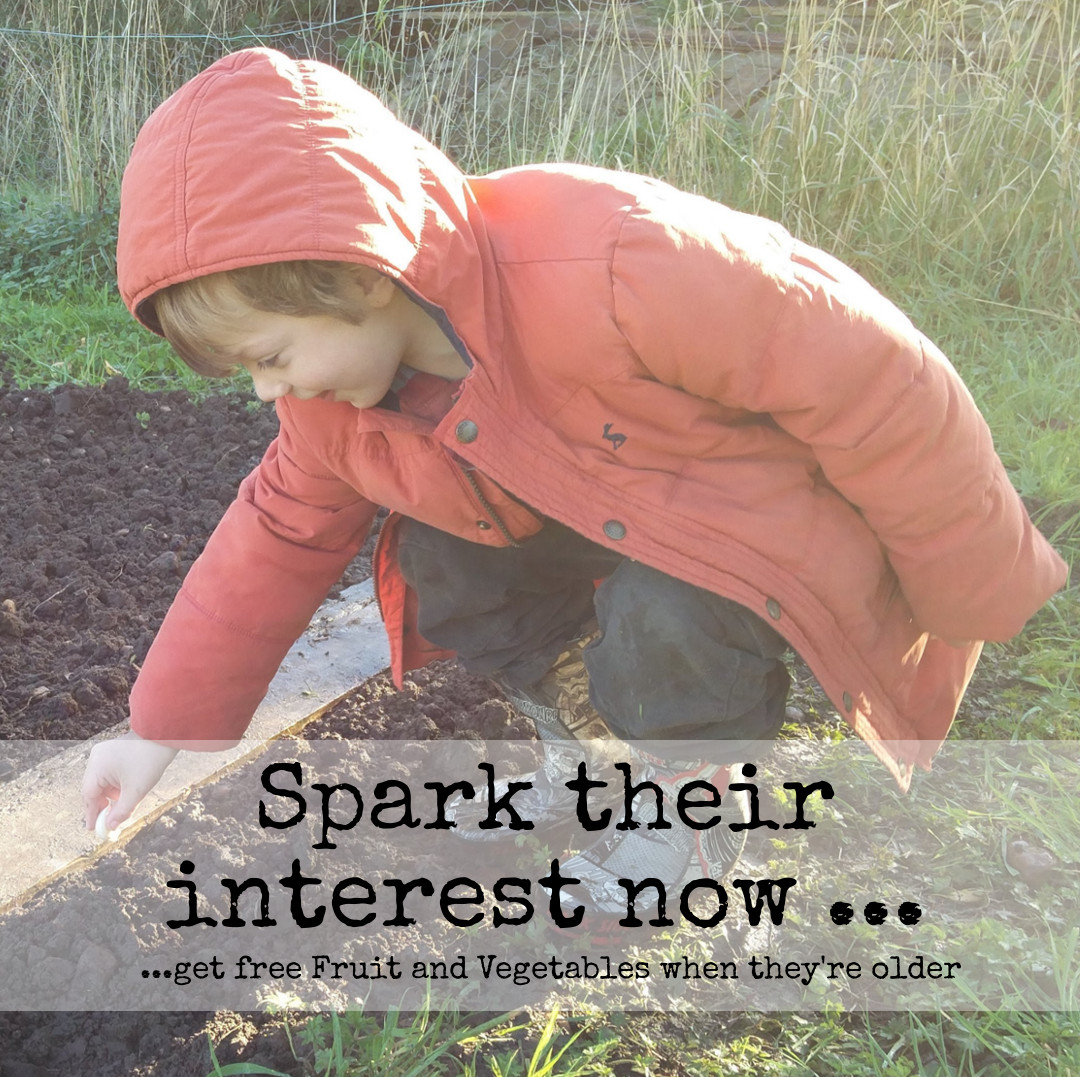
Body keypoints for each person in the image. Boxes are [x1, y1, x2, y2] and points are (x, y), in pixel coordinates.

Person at [82, 48, 1066, 903]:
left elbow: (873, 378)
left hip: (729, 524)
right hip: (573, 516)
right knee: (447, 567)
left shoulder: (611, 260)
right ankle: (583, 752)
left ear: (356, 273)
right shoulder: (328, 411)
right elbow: (276, 535)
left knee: (663, 626)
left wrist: (974, 573)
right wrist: (157, 731)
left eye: (269, 355)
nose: (265, 392)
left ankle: (691, 802)